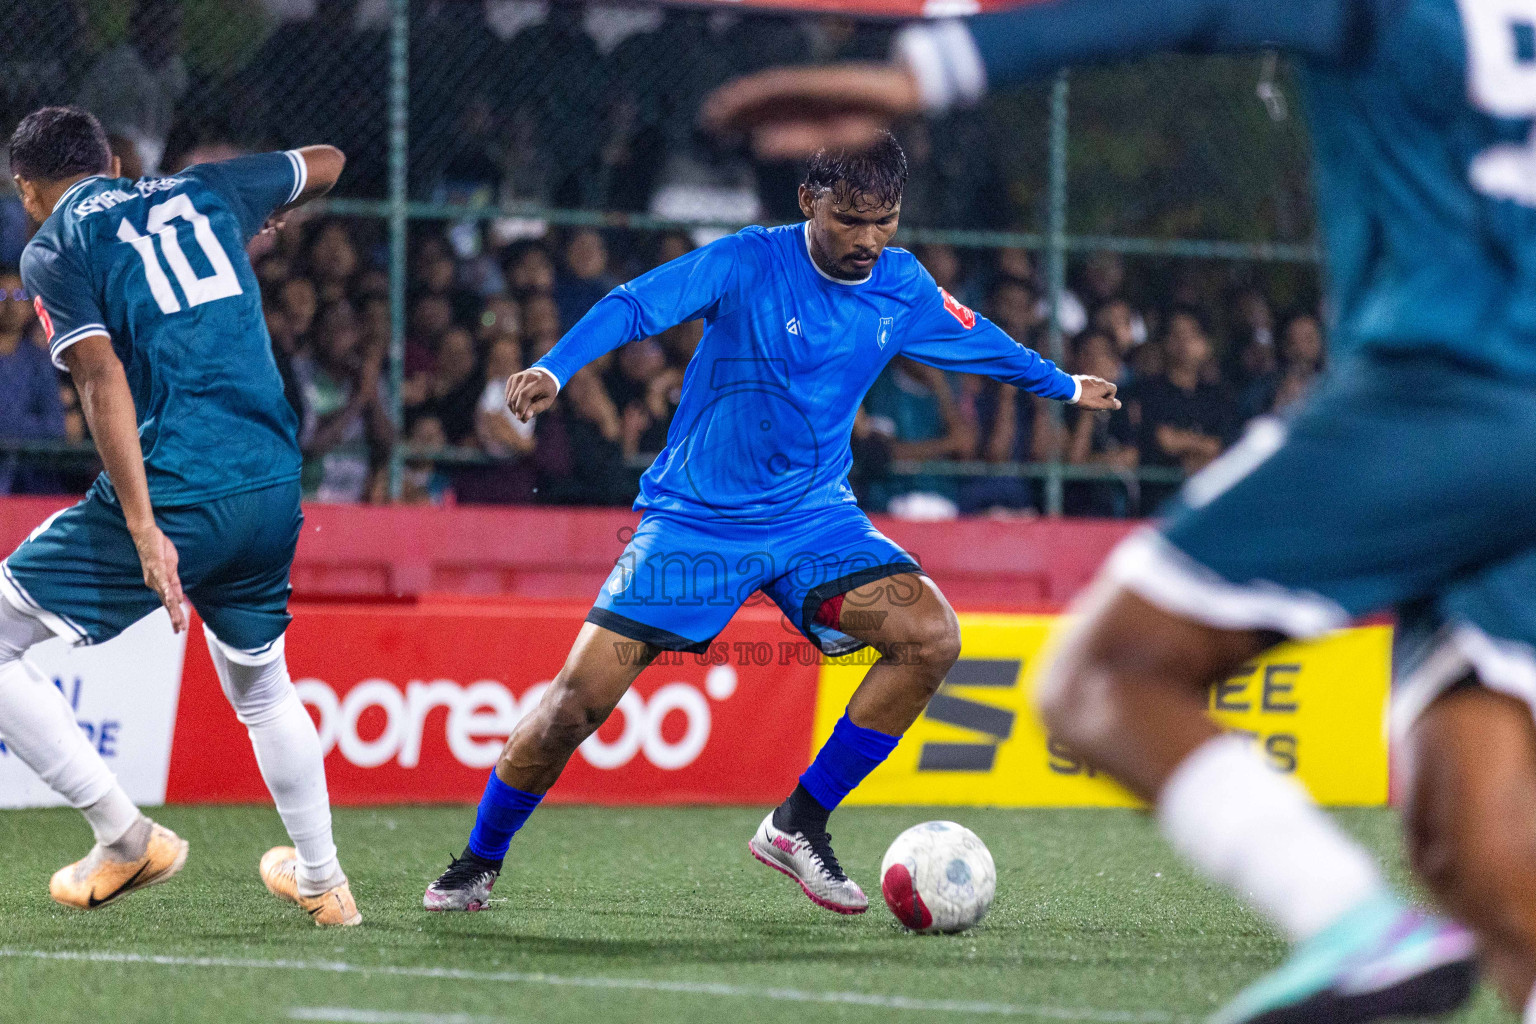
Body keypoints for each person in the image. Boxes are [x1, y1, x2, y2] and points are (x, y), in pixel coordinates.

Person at [701, 1, 1529, 1021]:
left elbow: (1199, 8)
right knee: (1475, 845)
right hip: (1499, 465)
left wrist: (940, 62)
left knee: (1105, 671)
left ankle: (1356, 927)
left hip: (1448, 398)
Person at [423, 133, 1118, 914]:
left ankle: (798, 824)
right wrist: (555, 365)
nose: (868, 239)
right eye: (851, 219)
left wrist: (1061, 386)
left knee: (932, 637)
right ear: (806, 201)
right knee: (572, 709)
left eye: (884, 220)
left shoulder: (901, 284)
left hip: (816, 520)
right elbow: (636, 303)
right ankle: (477, 862)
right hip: (696, 525)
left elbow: (976, 339)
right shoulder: (749, 260)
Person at [3, 107, 360, 926]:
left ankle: (123, 837)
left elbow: (100, 380)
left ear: (28, 191)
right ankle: (323, 881)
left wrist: (141, 526)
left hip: (181, 482)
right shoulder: (208, 189)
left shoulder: (54, 245)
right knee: (263, 685)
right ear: (116, 163)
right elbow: (330, 156)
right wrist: (269, 201)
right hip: (272, 476)